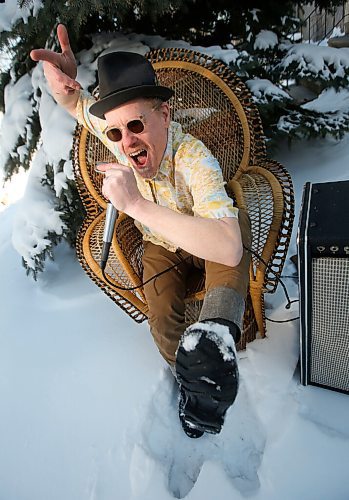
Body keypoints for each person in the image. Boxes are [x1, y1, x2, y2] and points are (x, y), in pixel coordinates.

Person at [31, 24, 252, 439]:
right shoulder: (119, 137)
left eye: (136, 125)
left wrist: (136, 205)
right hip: (161, 247)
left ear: (164, 115)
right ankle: (194, 382)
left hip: (204, 233)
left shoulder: (193, 158)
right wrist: (62, 83)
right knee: (162, 319)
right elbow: (77, 104)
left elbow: (225, 246)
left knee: (234, 234)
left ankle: (217, 338)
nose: (126, 142)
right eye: (116, 133)